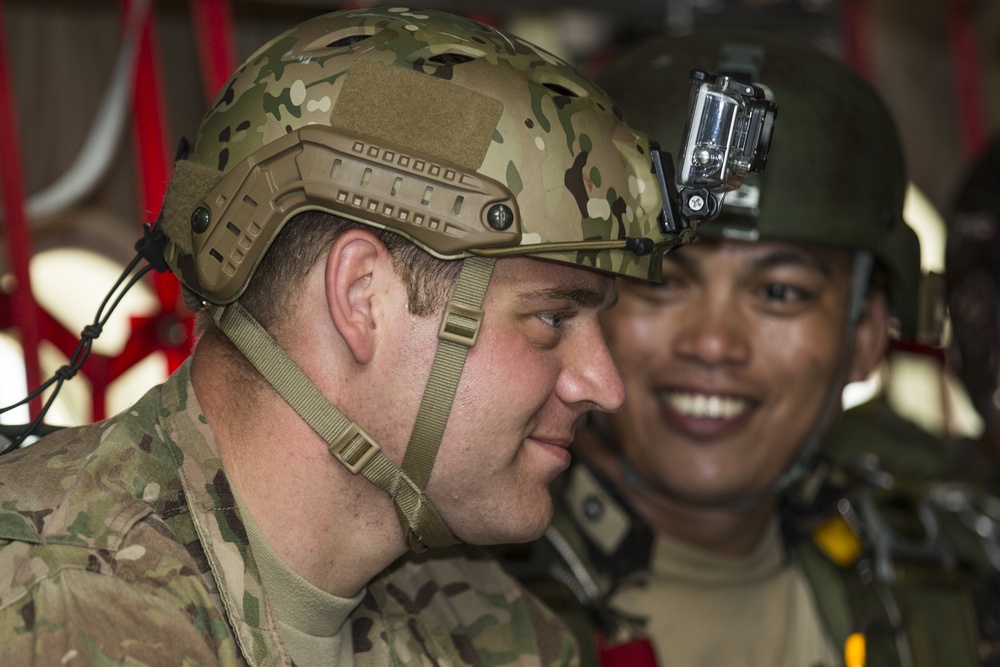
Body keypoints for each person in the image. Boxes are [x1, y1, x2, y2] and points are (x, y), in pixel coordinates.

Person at [0, 7, 702, 665]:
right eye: (553, 317)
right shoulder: (46, 608)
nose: (605, 385)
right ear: (363, 296)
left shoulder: (486, 622)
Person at [494, 27, 1000, 667]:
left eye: (781, 294)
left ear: (867, 337)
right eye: (664, 280)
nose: (713, 343)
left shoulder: (951, 579)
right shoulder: (449, 598)